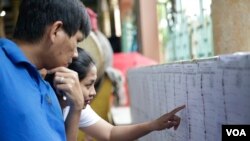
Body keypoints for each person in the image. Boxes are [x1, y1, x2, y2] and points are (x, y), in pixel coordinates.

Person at [46, 47, 186, 141]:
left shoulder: (77, 107)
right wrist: (76, 108)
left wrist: (153, 125)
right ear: (69, 80)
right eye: (88, 85)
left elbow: (110, 133)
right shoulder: (47, 106)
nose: (93, 92)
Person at [0, 0, 91, 141]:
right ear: (56, 31)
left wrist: (76, 108)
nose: (75, 54)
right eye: (76, 41)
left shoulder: (46, 88)